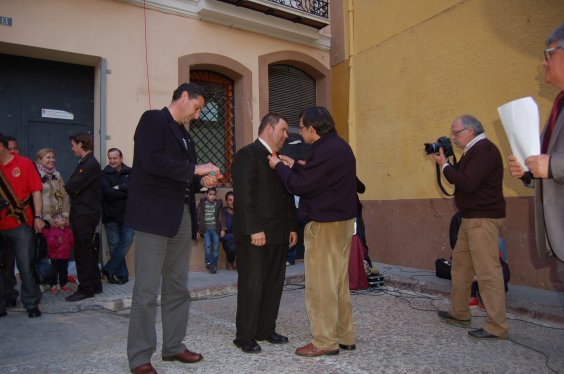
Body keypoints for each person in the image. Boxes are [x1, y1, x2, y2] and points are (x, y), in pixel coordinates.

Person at [125, 83, 220, 374]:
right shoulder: (153, 119)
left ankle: (174, 346)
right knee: (146, 289)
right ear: (183, 97)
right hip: (154, 217)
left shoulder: (185, 137)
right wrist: (195, 170)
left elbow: (184, 179)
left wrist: (202, 182)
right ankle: (140, 357)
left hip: (181, 216)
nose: (198, 112)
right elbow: (150, 161)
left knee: (178, 287)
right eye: (198, 105)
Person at [269, 106, 357, 357]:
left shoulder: (326, 150)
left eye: (302, 127)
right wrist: (294, 164)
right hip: (341, 224)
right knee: (338, 283)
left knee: (320, 285)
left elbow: (302, 185)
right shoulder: (338, 147)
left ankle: (324, 341)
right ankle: (345, 335)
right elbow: (319, 178)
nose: (300, 132)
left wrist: (279, 167)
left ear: (312, 129)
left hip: (325, 225)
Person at [430, 115, 508, 340]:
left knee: (487, 272)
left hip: (482, 219)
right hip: (469, 218)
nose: (453, 137)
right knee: (460, 267)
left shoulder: (484, 150)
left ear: (471, 130)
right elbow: (461, 179)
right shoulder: (473, 150)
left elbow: (467, 183)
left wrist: (444, 165)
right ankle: (460, 313)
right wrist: (448, 161)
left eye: (456, 133)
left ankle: (497, 325)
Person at [232, 112, 297, 354]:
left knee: (273, 283)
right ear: (268, 129)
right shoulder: (246, 155)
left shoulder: (278, 159)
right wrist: (253, 229)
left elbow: (287, 194)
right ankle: (245, 335)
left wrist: (291, 226)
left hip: (279, 233)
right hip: (256, 235)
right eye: (282, 130)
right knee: (252, 284)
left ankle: (266, 329)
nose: (285, 135)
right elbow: (244, 197)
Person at [508, 24, 564, 262]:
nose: (544, 62)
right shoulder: (559, 107)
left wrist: (550, 166)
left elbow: (553, 166)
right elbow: (548, 170)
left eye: (549, 54)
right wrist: (528, 172)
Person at [0, 132, 44, 318]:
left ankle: (31, 303)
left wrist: (38, 216)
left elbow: (36, 191)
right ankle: (5, 299)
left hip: (21, 224)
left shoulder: (25, 164)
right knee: (2, 267)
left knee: (25, 265)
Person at [64, 132, 103, 302]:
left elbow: (71, 186)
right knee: (88, 250)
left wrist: (72, 186)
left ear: (81, 144)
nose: (72, 149)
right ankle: (94, 284)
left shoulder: (89, 164)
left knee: (83, 252)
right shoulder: (86, 163)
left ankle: (86, 288)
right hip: (84, 213)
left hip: (85, 214)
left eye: (73, 145)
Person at [101, 148, 133, 284]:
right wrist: (125, 189)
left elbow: (135, 190)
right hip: (110, 216)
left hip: (128, 215)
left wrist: (118, 187)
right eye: (110, 158)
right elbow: (107, 193)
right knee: (114, 246)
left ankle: (108, 268)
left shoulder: (130, 172)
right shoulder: (104, 174)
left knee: (126, 242)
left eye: (115, 158)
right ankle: (122, 275)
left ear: (121, 158)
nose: (112, 161)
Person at [1, 136, 20, 307]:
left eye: (15, 148)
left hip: (13, 223)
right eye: (10, 148)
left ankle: (9, 293)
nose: (12, 152)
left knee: (8, 261)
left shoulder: (22, 166)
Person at [36, 148, 71, 229]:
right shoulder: (35, 174)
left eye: (53, 157)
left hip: (56, 218)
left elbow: (64, 195)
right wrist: (47, 218)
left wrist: (65, 215)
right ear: (39, 160)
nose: (52, 160)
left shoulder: (57, 175)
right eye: (48, 157)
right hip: (42, 219)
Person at [42, 213, 74, 294]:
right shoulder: (52, 231)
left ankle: (63, 284)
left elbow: (72, 241)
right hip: (55, 256)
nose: (62, 218)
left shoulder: (68, 230)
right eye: (58, 218)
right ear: (54, 221)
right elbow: (49, 242)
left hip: (65, 255)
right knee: (54, 272)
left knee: (64, 271)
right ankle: (53, 285)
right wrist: (56, 241)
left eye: (63, 217)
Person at [196, 187, 223, 274]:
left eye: (214, 195)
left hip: (215, 229)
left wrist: (223, 229)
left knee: (215, 248)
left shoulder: (218, 204)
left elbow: (222, 217)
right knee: (207, 246)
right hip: (206, 229)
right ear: (206, 195)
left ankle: (213, 266)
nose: (212, 196)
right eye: (210, 194)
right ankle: (208, 263)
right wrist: (197, 230)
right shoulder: (202, 204)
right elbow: (198, 217)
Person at [220, 191, 236, 270]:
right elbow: (221, 234)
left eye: (234, 200)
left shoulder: (240, 212)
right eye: (230, 200)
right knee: (232, 247)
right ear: (226, 200)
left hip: (239, 238)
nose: (232, 202)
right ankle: (230, 260)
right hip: (227, 239)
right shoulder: (222, 213)